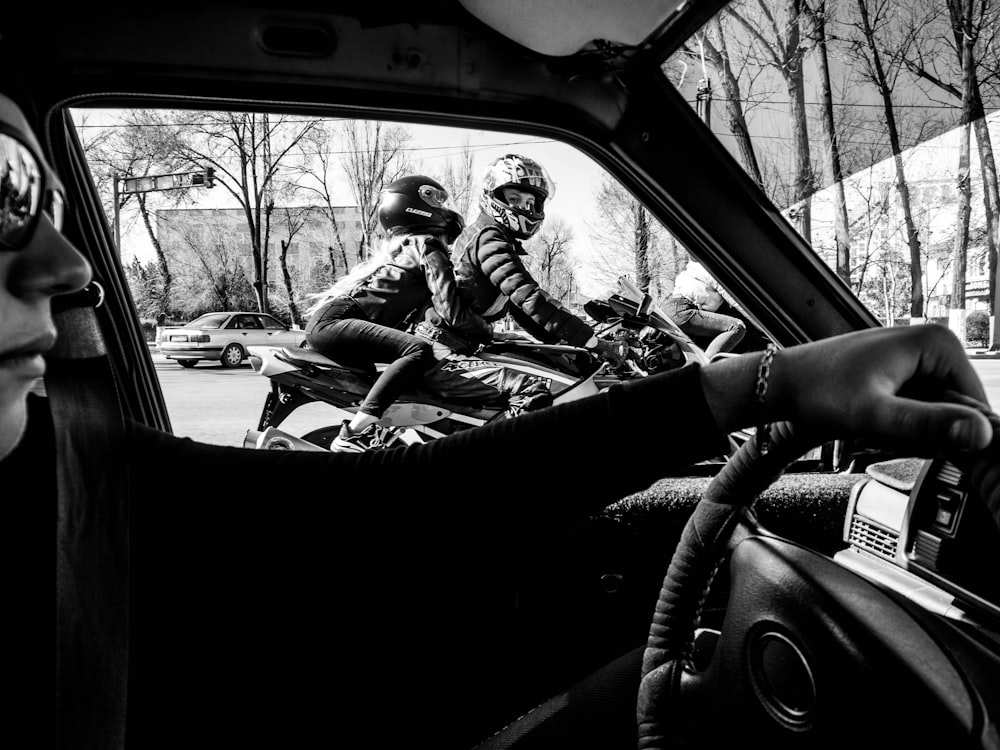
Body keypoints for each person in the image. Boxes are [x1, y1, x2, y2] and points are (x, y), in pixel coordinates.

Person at [3, 94, 996, 748]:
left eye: (39, 195)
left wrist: (738, 382)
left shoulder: (66, 477)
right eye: (2, 190)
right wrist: (598, 350)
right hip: (358, 356)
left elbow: (390, 514)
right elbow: (509, 311)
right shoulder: (458, 246)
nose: (64, 264)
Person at [303, 174, 495, 451]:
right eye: (438, 200)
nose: (446, 207)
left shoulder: (409, 246)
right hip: (337, 322)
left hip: (334, 322)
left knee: (408, 367)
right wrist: (489, 333)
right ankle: (351, 433)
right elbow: (451, 309)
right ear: (418, 206)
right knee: (418, 351)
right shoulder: (427, 245)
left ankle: (384, 436)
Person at [417, 153, 628, 372]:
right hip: (445, 347)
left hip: (460, 342)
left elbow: (523, 310)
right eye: (515, 199)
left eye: (530, 202)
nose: (525, 209)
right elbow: (530, 299)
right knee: (542, 390)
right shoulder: (488, 238)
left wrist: (565, 343)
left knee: (556, 367)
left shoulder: (493, 237)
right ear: (494, 196)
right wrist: (594, 343)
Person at [663, 258, 749, 359]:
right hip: (682, 310)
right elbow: (734, 301)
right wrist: (762, 327)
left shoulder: (694, 267)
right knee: (736, 327)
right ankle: (704, 368)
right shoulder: (710, 269)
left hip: (669, 307)